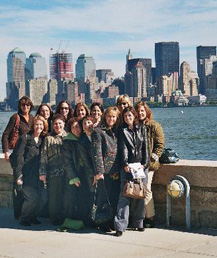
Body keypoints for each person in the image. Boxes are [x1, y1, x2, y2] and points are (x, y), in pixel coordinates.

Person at [114, 106, 149, 237]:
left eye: (130, 115)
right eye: (125, 116)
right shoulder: (122, 130)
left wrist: (144, 165)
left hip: (141, 167)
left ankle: (139, 222)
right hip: (128, 167)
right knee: (124, 196)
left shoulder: (142, 128)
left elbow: (146, 147)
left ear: (134, 116)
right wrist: (124, 164)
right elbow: (122, 148)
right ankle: (120, 225)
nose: (127, 118)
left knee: (140, 195)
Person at [12, 115, 48, 226]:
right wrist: (18, 176)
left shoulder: (43, 140)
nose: (39, 126)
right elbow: (18, 157)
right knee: (32, 198)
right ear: (33, 125)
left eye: (41, 124)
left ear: (44, 126)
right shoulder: (25, 138)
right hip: (26, 176)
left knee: (43, 198)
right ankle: (24, 218)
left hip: (38, 176)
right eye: (37, 124)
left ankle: (33, 217)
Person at [135, 101, 165, 228]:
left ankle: (150, 217)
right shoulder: (135, 127)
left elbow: (160, 145)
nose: (140, 113)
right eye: (138, 111)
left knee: (146, 189)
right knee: (135, 191)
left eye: (142, 111)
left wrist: (152, 159)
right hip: (136, 165)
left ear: (146, 111)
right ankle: (138, 217)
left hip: (150, 165)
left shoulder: (154, 125)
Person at [91, 106, 120, 232]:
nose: (111, 119)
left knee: (113, 198)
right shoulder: (98, 131)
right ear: (105, 117)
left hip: (115, 170)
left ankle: (110, 220)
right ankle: (101, 222)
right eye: (109, 116)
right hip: (105, 172)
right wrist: (99, 172)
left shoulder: (115, 131)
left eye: (113, 117)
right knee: (103, 199)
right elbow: (96, 153)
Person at [39, 114, 67, 225]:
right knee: (54, 197)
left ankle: (65, 217)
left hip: (67, 172)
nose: (58, 125)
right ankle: (55, 219)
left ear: (64, 124)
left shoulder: (68, 137)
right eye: (55, 123)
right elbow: (43, 157)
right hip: (53, 173)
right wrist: (42, 172)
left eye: (60, 123)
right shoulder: (48, 139)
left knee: (66, 196)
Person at [2, 96, 34, 162]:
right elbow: (5, 135)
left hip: (29, 152)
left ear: (30, 106)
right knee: (18, 171)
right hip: (18, 152)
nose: (25, 107)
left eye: (27, 105)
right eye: (23, 105)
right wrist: (6, 152)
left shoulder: (32, 118)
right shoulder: (15, 117)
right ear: (20, 106)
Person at [62, 118, 82, 220]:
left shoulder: (83, 139)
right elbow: (67, 162)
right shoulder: (67, 142)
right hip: (72, 175)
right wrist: (73, 177)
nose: (75, 129)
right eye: (73, 127)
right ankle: (69, 221)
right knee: (70, 199)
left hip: (83, 173)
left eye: (77, 126)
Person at [77, 116, 96, 225]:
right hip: (89, 173)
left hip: (101, 171)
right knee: (91, 195)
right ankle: (91, 220)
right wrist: (93, 175)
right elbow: (86, 161)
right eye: (84, 123)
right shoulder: (82, 141)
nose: (87, 125)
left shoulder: (97, 136)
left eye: (89, 122)